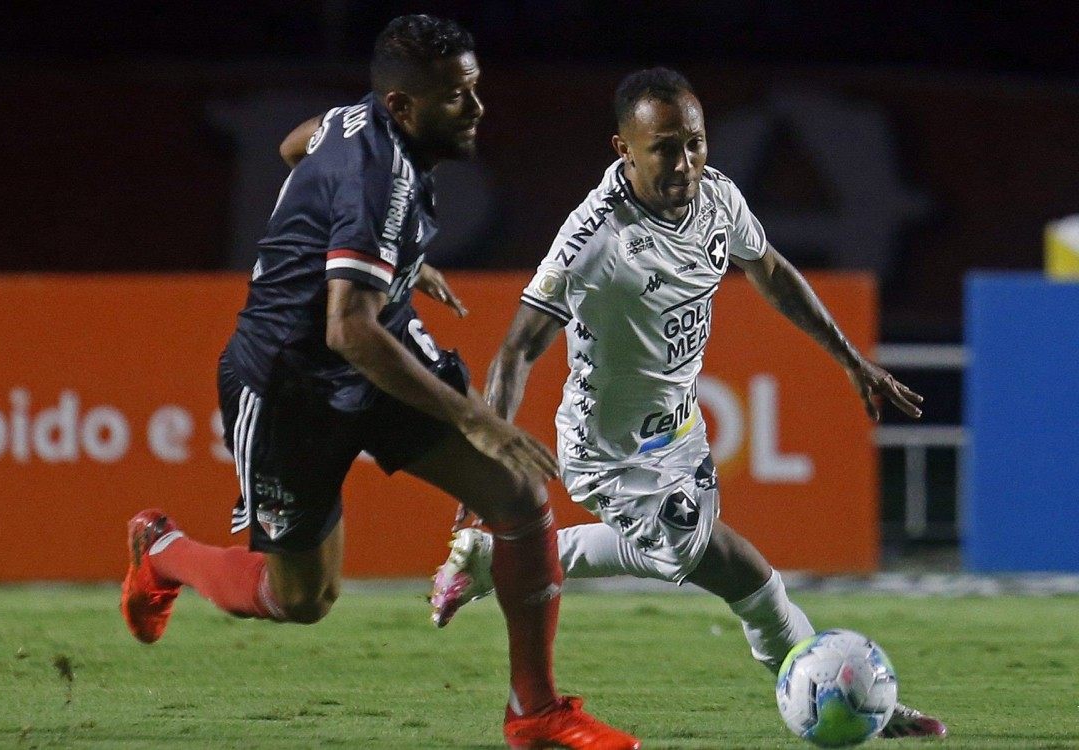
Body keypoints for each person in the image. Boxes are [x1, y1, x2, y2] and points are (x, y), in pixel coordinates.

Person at [118, 14, 640, 750]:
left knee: (517, 495)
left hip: (372, 351)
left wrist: (378, 251)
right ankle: (163, 552)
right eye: (456, 95)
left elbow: (295, 143)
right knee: (299, 598)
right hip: (288, 384)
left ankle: (536, 712)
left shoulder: (359, 125)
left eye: (474, 88)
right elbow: (347, 330)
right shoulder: (378, 174)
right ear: (402, 108)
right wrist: (475, 417)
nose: (476, 107)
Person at [430, 67, 947, 740]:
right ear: (625, 149)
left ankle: (499, 556)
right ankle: (855, 706)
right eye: (666, 148)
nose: (685, 162)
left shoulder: (718, 199)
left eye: (696, 143)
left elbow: (769, 270)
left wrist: (849, 358)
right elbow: (517, 352)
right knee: (748, 577)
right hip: (609, 451)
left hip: (679, 433)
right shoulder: (593, 237)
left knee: (683, 561)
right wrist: (488, 469)